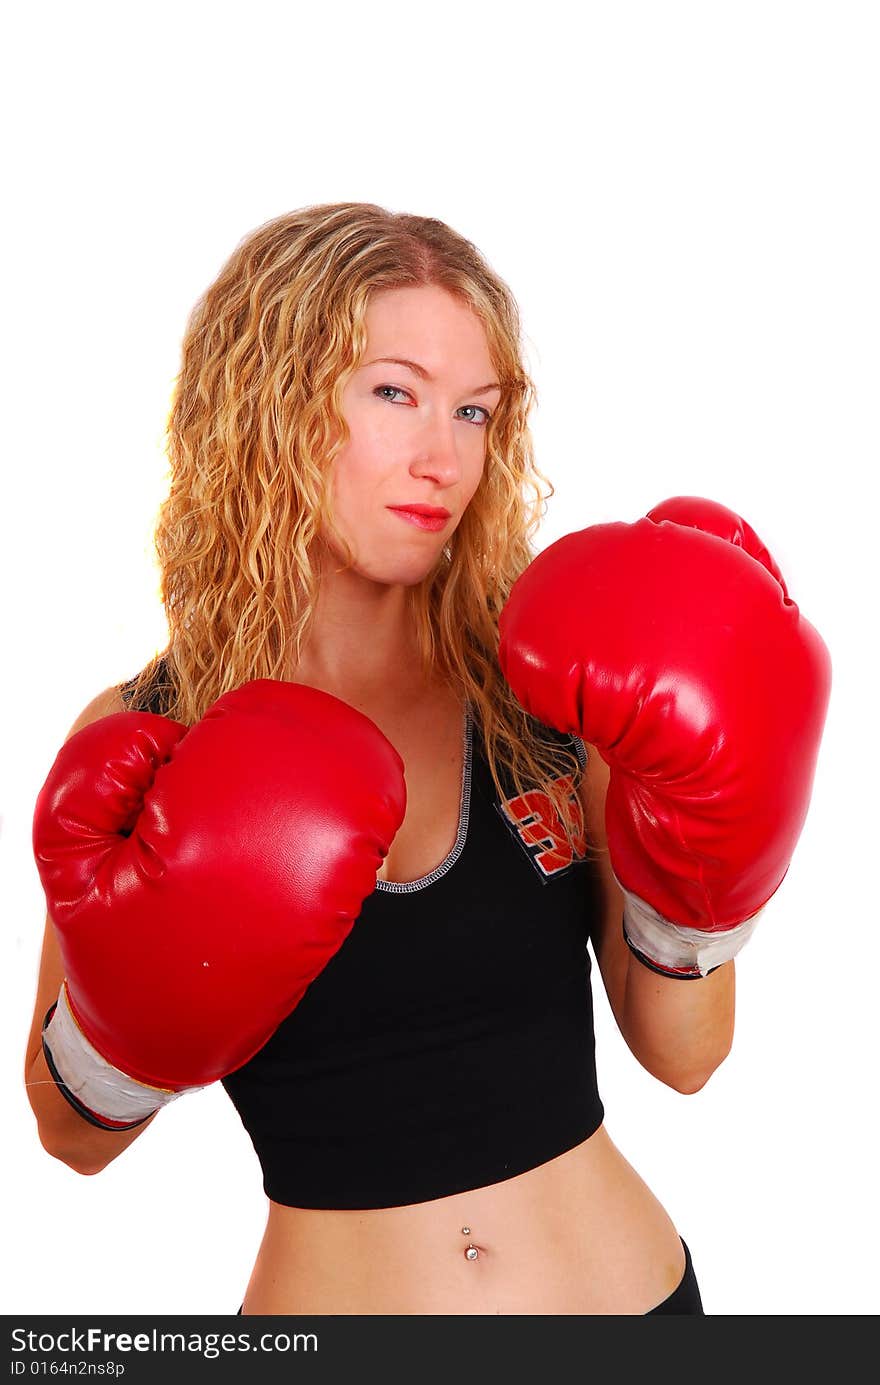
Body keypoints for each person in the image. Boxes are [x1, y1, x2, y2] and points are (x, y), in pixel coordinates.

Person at [23, 202, 831, 1316]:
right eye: (393, 392)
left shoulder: (546, 687)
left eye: (474, 411)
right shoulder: (152, 737)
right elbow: (70, 1134)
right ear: (270, 405)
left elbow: (685, 1056)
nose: (441, 455)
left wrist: (708, 879)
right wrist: (139, 1015)